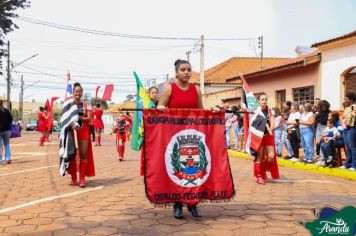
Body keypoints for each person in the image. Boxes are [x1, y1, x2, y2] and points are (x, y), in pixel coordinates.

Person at [157, 59, 204, 219]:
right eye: (183, 69)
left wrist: (215, 111)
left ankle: (193, 203)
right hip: (174, 136)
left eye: (189, 69)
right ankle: (177, 204)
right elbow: (159, 109)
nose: (186, 72)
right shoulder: (169, 88)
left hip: (192, 136)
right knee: (177, 170)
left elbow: (201, 112)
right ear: (176, 72)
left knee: (194, 172)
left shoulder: (196, 89)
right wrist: (161, 108)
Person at [66, 82, 95, 187]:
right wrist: (70, 122)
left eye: (79, 92)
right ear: (73, 93)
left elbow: (89, 118)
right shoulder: (68, 105)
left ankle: (82, 178)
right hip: (71, 132)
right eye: (75, 92)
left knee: (83, 155)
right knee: (71, 155)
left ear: (82, 93)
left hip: (83, 132)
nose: (77, 93)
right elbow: (65, 119)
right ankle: (74, 178)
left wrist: (77, 117)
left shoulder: (86, 105)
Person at [253, 93, 280, 185]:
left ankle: (263, 170)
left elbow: (272, 123)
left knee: (271, 157)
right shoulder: (255, 111)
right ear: (259, 101)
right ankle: (259, 176)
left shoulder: (270, 111)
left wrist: (270, 129)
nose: (264, 101)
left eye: (265, 99)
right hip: (258, 136)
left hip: (268, 136)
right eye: (262, 99)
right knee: (259, 156)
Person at [140, 86, 159, 176]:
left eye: (156, 93)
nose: (154, 94)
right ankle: (147, 171)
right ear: (149, 94)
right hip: (148, 130)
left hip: (158, 131)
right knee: (148, 152)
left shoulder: (161, 104)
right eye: (153, 93)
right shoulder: (145, 104)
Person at [340, 92, 356, 171]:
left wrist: (346, 122)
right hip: (345, 128)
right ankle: (347, 164)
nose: (345, 100)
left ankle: (354, 165)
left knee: (353, 147)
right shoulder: (346, 108)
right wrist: (343, 122)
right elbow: (342, 117)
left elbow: (353, 116)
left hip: (351, 128)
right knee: (348, 147)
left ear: (352, 100)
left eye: (347, 99)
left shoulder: (354, 107)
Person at [0, 99, 13, 164]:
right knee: (7, 144)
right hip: (7, 130)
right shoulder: (7, 111)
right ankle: (8, 158)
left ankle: (0, 160)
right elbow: (11, 119)